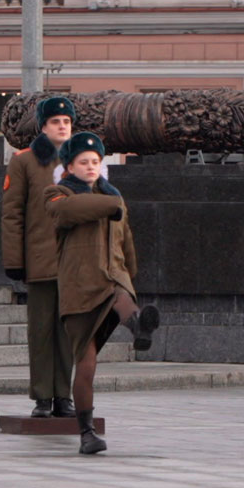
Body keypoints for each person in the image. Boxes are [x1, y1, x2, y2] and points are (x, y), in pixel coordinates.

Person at [44, 132, 160, 454]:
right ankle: (87, 433)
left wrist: (131, 273)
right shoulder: (57, 194)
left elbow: (126, 242)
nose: (92, 166)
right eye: (84, 162)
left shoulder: (115, 197)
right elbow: (66, 212)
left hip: (111, 279)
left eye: (96, 161)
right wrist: (112, 204)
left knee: (121, 296)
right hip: (80, 290)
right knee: (86, 365)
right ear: (69, 166)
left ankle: (138, 323)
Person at [2, 96, 76, 419]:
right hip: (41, 259)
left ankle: (64, 396)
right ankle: (42, 396)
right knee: (41, 330)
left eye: (67, 122)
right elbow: (12, 214)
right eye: (56, 122)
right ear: (43, 127)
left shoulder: (83, 161)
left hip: (75, 261)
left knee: (68, 332)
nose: (62, 127)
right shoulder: (24, 161)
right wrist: (14, 260)